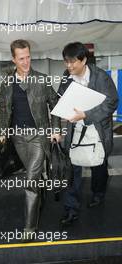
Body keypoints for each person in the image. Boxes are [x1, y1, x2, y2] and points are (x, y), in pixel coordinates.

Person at [0, 39, 61, 241]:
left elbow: (56, 105)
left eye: (28, 57)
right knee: (32, 175)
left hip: (38, 137)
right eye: (21, 58)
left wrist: (56, 130)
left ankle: (29, 227)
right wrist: (3, 131)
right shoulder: (7, 83)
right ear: (13, 59)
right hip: (17, 138)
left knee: (29, 181)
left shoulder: (42, 79)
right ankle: (39, 192)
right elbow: (3, 109)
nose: (26, 62)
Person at [58, 42, 118, 225]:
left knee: (99, 167)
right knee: (72, 171)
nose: (69, 66)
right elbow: (61, 98)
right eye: (66, 62)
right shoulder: (66, 77)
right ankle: (71, 209)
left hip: (97, 131)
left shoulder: (100, 77)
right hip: (74, 131)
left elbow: (112, 102)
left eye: (72, 62)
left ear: (83, 60)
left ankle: (98, 193)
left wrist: (86, 114)